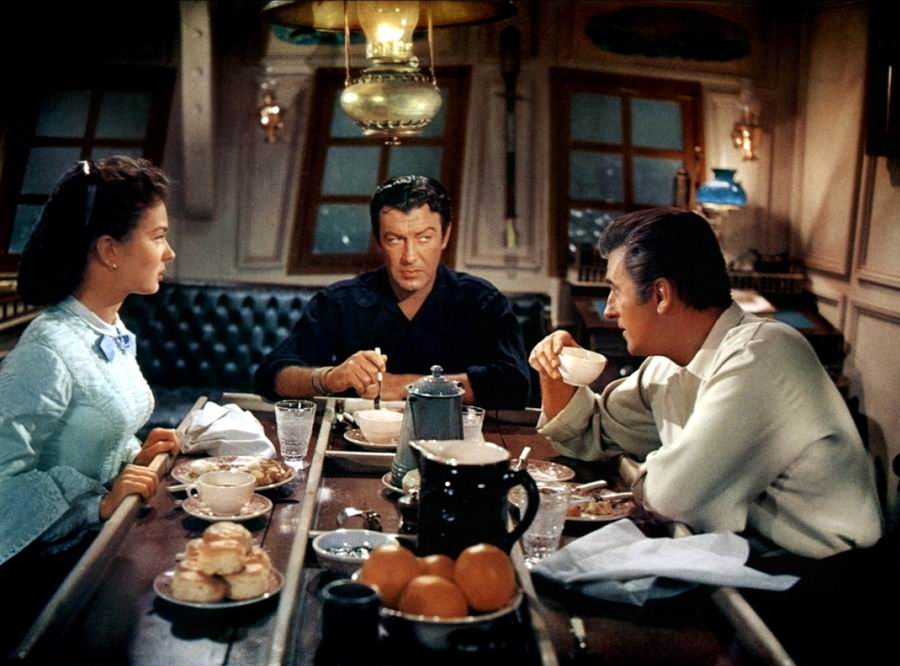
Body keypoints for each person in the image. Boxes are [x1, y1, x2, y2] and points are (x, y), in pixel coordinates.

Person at [530, 207, 882, 560]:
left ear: (661, 295)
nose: (609, 310)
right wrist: (554, 368)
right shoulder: (667, 365)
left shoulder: (762, 354)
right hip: (737, 556)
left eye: (615, 291)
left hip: (822, 574)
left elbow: (672, 498)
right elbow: (588, 434)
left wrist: (648, 468)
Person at [0, 157, 179, 651]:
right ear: (109, 250)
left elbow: (89, 434)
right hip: (45, 581)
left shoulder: (108, 326)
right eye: (158, 236)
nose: (169, 252)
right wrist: (95, 506)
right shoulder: (48, 349)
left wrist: (135, 457)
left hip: (100, 545)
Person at [255, 175, 530, 409]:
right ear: (378, 241)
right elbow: (272, 376)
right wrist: (330, 378)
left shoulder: (481, 301)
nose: (410, 257)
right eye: (395, 239)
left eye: (424, 238)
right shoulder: (340, 301)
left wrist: (405, 386)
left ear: (445, 236)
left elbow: (515, 385)